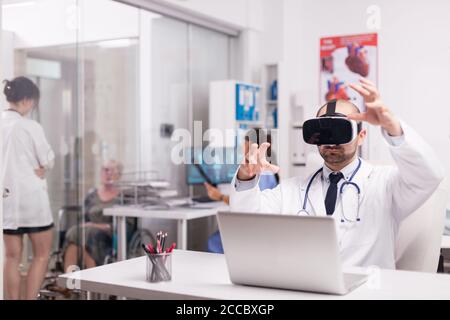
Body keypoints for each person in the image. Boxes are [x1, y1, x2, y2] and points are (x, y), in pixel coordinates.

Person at [230, 78, 444, 269]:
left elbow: (429, 176)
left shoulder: (386, 184)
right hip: (309, 292)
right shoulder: (291, 190)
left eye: (340, 130)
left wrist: (394, 128)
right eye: (324, 132)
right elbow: (246, 220)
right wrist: (246, 178)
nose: (331, 141)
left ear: (361, 136)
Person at [2, 77, 55, 300]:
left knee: (12, 257)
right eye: (33, 101)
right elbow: (47, 158)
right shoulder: (30, 126)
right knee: (42, 255)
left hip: (7, 199)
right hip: (32, 200)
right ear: (26, 100)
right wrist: (45, 165)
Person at [206, 129, 279, 253]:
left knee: (213, 241)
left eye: (245, 145)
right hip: (259, 232)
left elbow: (247, 203)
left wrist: (219, 196)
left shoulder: (260, 173)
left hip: (250, 232)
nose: (242, 149)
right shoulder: (268, 172)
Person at [63, 160, 123, 271]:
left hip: (109, 233)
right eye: (105, 170)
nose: (108, 173)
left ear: (119, 175)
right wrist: (87, 225)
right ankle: (69, 278)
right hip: (87, 231)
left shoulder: (123, 197)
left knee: (89, 235)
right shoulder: (92, 195)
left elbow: (125, 226)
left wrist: (95, 226)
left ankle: (90, 276)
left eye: (112, 170)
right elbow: (83, 218)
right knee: (75, 232)